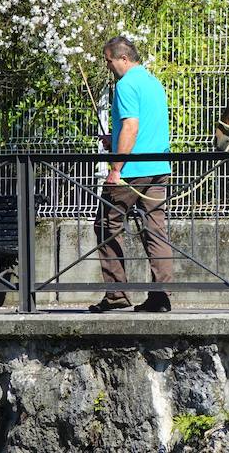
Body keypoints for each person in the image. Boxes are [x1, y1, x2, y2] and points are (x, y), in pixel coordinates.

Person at [90, 36, 173, 313]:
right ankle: (161, 297)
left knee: (105, 225)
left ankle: (116, 295)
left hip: (132, 171)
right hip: (159, 167)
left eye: (109, 61)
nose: (109, 67)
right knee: (156, 231)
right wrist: (113, 140)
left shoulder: (125, 85)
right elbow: (146, 126)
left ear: (122, 58)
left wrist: (116, 168)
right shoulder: (154, 82)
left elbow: (132, 128)